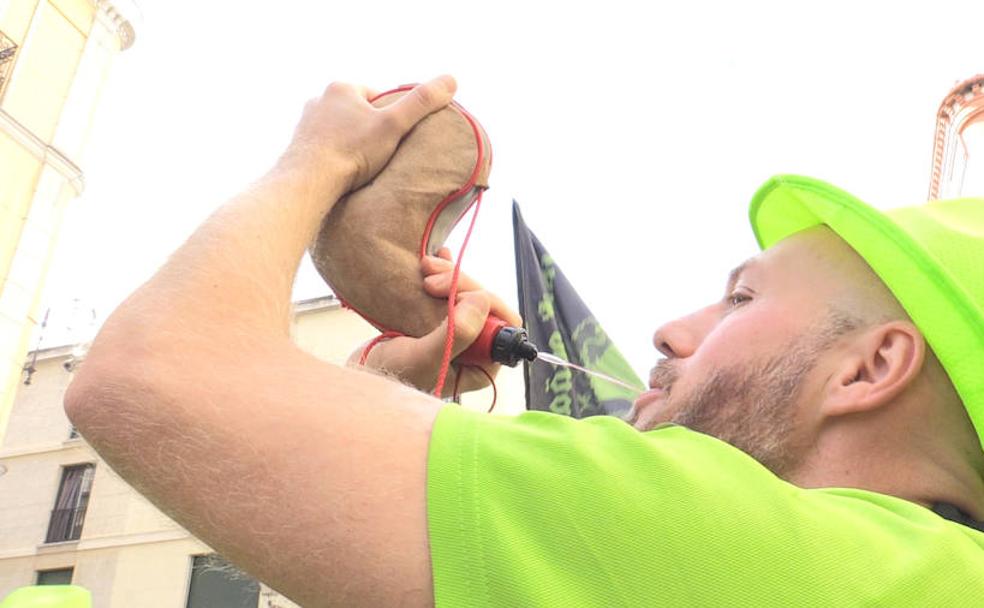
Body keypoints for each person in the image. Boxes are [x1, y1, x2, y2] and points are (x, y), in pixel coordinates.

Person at [65, 76, 984, 607]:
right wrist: (393, 393)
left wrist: (319, 158)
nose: (670, 329)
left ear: (872, 367)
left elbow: (149, 376)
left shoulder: (726, 539)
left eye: (740, 299)